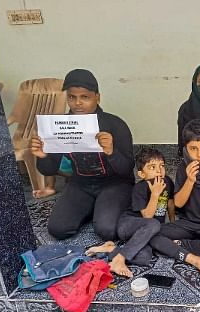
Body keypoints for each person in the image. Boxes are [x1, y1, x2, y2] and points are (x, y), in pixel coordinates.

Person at [30, 69, 136, 243]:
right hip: (80, 183)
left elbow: (127, 168)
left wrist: (111, 152)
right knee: (58, 228)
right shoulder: (61, 126)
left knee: (107, 229)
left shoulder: (115, 124)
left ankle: (102, 208)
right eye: (72, 97)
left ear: (97, 97)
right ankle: (94, 207)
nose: (77, 103)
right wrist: (42, 155)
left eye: (85, 97)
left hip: (115, 183)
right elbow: (48, 169)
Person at [147, 119, 200, 279]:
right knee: (153, 233)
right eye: (194, 148)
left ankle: (182, 246)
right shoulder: (183, 168)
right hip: (189, 222)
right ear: (185, 149)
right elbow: (178, 203)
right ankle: (194, 258)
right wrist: (190, 180)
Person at [85, 147, 176, 277]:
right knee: (154, 224)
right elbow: (148, 216)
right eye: (152, 167)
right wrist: (155, 194)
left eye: (161, 166)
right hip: (128, 225)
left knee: (144, 258)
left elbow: (170, 204)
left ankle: (111, 249)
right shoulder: (140, 188)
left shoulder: (167, 182)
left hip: (146, 232)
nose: (158, 171)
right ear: (142, 174)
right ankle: (120, 258)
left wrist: (172, 224)